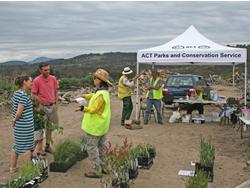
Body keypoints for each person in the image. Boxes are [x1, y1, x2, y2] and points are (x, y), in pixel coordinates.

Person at [74, 69, 112, 179]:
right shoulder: (103, 92)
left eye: (95, 78)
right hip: (102, 126)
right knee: (102, 147)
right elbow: (93, 95)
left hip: (94, 126)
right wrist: (84, 96)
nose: (93, 79)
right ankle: (104, 167)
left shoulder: (100, 94)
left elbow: (94, 109)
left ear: (100, 80)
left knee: (92, 148)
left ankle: (96, 170)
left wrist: (82, 108)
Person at [31, 62, 59, 154]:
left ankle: (47, 146)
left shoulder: (53, 78)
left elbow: (55, 91)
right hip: (42, 106)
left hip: (52, 105)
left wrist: (56, 104)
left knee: (50, 127)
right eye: (45, 70)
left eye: (48, 69)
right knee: (41, 128)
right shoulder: (36, 81)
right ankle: (38, 149)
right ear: (40, 70)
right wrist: (37, 108)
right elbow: (34, 95)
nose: (47, 71)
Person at [10, 75, 34, 173]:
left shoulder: (16, 93)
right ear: (24, 82)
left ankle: (13, 167)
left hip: (20, 126)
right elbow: (19, 112)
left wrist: (15, 120)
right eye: (30, 81)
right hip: (25, 126)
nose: (31, 83)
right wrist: (14, 120)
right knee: (26, 148)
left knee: (17, 146)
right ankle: (27, 172)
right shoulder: (23, 95)